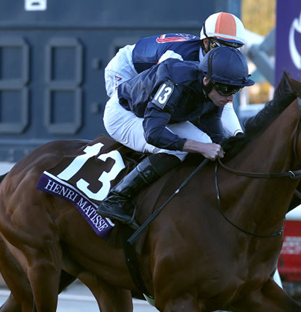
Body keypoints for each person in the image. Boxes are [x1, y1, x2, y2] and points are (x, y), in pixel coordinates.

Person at [96, 46, 254, 224]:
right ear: (206, 80)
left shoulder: (214, 92)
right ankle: (117, 198)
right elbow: (153, 133)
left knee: (205, 141)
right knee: (182, 149)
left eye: (236, 90)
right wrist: (200, 147)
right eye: (226, 89)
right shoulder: (174, 83)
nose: (230, 98)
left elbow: (214, 131)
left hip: (161, 116)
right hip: (124, 114)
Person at [104, 12, 247, 137]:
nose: (229, 54)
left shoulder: (212, 61)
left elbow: (226, 107)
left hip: (149, 69)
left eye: (235, 49)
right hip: (127, 70)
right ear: (206, 42)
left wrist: (238, 134)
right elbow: (155, 94)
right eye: (223, 47)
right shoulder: (179, 57)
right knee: (145, 124)